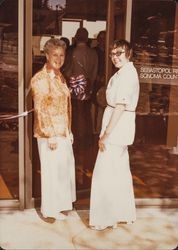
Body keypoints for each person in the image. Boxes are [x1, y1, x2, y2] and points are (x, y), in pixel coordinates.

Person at [89, 39, 140, 230]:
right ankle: (122, 212)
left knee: (105, 173)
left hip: (116, 129)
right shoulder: (124, 73)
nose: (115, 57)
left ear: (129, 53)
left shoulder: (127, 75)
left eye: (119, 53)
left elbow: (120, 106)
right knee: (118, 172)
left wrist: (105, 134)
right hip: (118, 126)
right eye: (112, 53)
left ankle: (104, 218)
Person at [31, 38, 76, 220]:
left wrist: (68, 130)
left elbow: (64, 105)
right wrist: (50, 134)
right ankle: (50, 209)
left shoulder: (60, 76)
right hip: (49, 134)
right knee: (51, 172)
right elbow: (41, 108)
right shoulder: (40, 78)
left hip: (62, 131)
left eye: (61, 55)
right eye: (54, 54)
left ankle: (60, 205)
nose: (58, 58)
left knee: (62, 171)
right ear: (47, 55)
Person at [63, 27, 98, 185]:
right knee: (85, 113)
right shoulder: (93, 53)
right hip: (87, 85)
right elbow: (95, 72)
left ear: (76, 37)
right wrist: (89, 84)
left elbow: (68, 70)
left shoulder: (72, 53)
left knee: (75, 113)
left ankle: (76, 137)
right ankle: (87, 138)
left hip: (74, 84)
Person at [91, 30, 106, 134]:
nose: (102, 40)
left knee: (103, 106)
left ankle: (100, 129)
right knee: (93, 106)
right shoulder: (94, 51)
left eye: (104, 38)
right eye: (100, 38)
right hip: (95, 81)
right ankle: (93, 129)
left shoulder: (110, 53)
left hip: (107, 81)